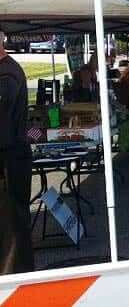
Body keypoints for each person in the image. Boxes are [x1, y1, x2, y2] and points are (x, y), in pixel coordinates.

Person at [0, 30, 34, 274]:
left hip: (10, 158)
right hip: (11, 155)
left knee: (12, 222)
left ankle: (15, 277)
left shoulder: (7, 74)